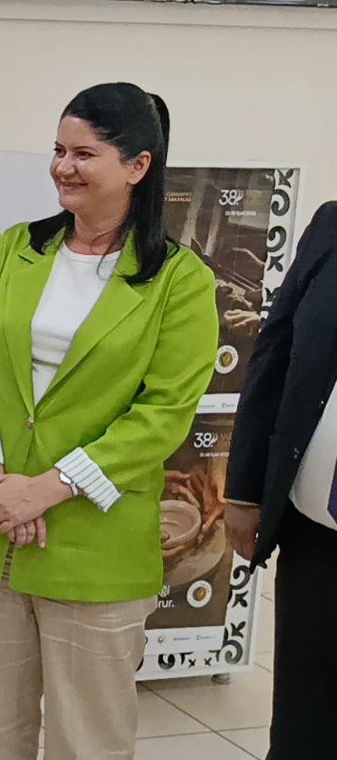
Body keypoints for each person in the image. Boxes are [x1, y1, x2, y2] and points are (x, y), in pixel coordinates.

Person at [0, 83, 218, 760]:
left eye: (84, 154)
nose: (63, 166)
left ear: (138, 166)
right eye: (59, 150)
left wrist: (46, 489)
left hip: (96, 544)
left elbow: (162, 414)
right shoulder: (16, 250)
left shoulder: (179, 280)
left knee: (86, 738)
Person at [225, 200, 337, 759]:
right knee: (303, 724)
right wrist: (245, 490)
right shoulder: (332, 226)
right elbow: (276, 350)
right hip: (315, 531)